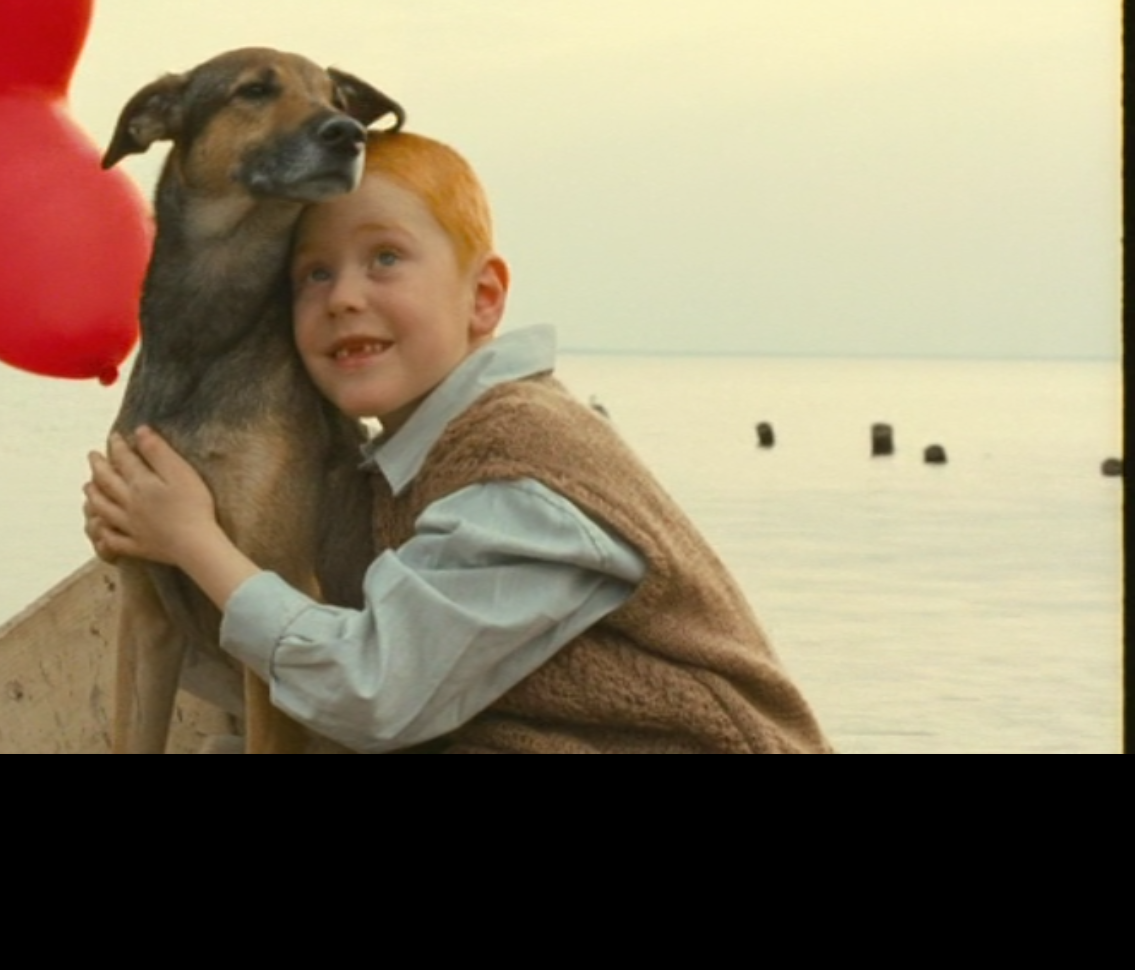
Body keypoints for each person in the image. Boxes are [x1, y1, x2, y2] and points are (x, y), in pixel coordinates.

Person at [85, 131, 832, 755]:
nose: (344, 296)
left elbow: (375, 691)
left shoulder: (525, 466)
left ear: (484, 298)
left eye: (385, 257)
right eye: (313, 274)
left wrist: (196, 543)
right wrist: (163, 537)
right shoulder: (402, 470)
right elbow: (292, 659)